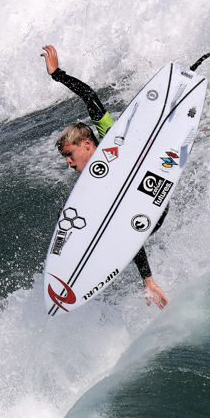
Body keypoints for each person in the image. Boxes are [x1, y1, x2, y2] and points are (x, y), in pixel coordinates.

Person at [41, 44, 169, 309]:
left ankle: (146, 278)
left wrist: (58, 74)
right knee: (67, 217)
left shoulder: (111, 136)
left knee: (117, 220)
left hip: (154, 200)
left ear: (87, 144)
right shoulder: (92, 185)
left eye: (69, 153)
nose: (67, 162)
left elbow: (89, 95)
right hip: (132, 210)